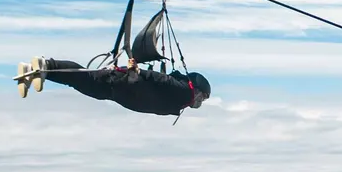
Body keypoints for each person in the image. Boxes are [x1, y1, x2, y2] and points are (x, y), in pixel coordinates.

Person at [17, 56, 210, 116]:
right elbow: (162, 80)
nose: (200, 102)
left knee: (80, 81)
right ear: (197, 90)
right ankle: (47, 65)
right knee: (84, 78)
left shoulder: (181, 99)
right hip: (126, 86)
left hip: (121, 92)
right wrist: (139, 72)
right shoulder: (184, 91)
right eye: (202, 97)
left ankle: (36, 71)